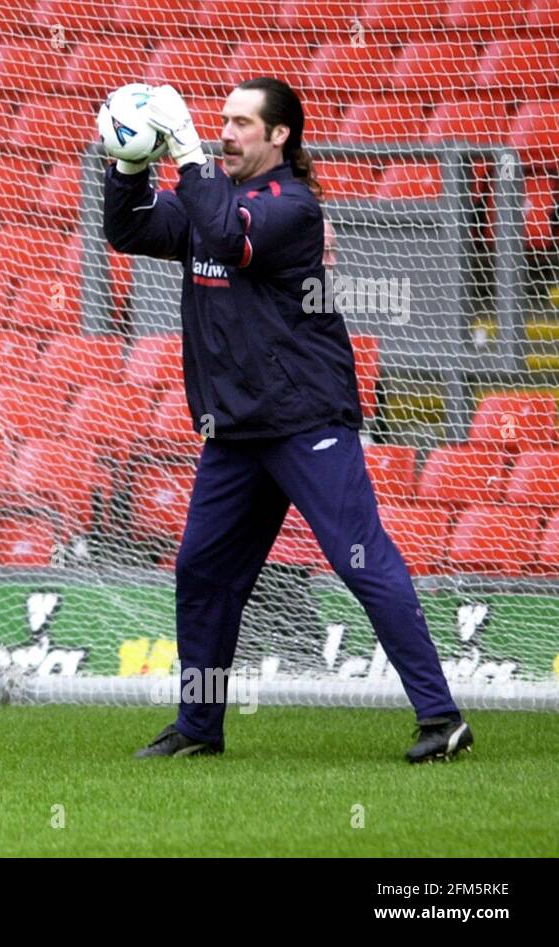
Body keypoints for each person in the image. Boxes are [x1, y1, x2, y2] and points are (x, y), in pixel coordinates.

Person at [99, 79, 470, 763]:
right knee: (202, 573)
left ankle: (441, 716)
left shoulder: (291, 207)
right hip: (238, 430)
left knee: (360, 559)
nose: (227, 133)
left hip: (305, 419)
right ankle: (199, 725)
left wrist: (184, 153)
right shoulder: (215, 200)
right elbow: (128, 229)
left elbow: (232, 240)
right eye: (222, 122)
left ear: (280, 137)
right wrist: (128, 163)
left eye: (243, 123)